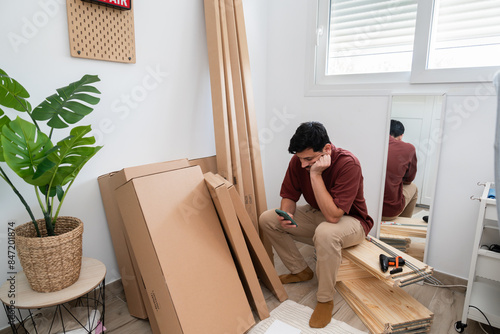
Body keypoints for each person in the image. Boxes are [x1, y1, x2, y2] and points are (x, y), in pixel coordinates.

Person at [259, 121, 374, 328]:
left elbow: (333, 216)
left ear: (327, 149)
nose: (303, 164)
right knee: (268, 219)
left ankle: (325, 299)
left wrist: (315, 174)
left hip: (352, 221)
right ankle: (300, 270)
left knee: (326, 232)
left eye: (309, 160)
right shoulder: (300, 160)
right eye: (300, 159)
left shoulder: (349, 164)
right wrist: (287, 213)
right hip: (317, 213)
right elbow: (289, 195)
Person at [381, 119, 418, 221]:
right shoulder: (409, 148)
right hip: (387, 212)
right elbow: (409, 179)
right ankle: (402, 222)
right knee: (413, 188)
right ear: (401, 135)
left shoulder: (372, 142)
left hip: (362, 209)